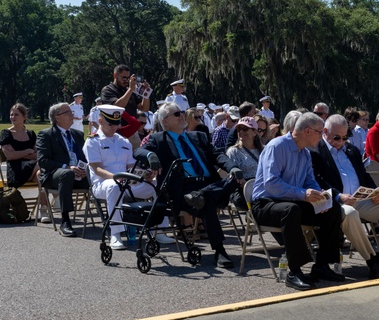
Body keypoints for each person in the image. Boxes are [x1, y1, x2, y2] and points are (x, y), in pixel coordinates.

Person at [250, 112, 346, 290]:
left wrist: (319, 198)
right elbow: (271, 184)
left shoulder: (305, 153)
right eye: (320, 131)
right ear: (308, 131)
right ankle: (294, 271)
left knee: (332, 209)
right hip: (265, 203)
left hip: (291, 201)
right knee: (291, 210)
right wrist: (303, 194)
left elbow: (309, 181)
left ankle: (322, 266)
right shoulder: (277, 146)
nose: (322, 135)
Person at [143, 102, 237, 268]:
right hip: (183, 190)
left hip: (208, 184)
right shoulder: (159, 139)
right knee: (206, 202)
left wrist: (233, 167)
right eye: (177, 114)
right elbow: (139, 152)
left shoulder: (198, 136)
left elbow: (217, 155)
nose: (182, 116)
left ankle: (205, 194)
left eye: (182, 113)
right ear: (165, 121)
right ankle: (219, 250)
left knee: (235, 179)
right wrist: (151, 155)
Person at [312, 114, 379, 277]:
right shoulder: (316, 150)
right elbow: (318, 181)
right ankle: (371, 259)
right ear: (325, 131)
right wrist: (339, 196)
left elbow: (364, 175)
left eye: (345, 137)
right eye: (337, 137)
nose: (341, 141)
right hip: (337, 202)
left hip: (360, 199)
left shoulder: (351, 150)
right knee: (350, 214)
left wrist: (375, 192)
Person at [86, 105, 173, 251]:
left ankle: (158, 229)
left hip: (127, 183)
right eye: (110, 123)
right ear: (100, 120)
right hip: (103, 184)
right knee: (113, 186)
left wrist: (144, 174)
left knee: (157, 184)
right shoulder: (93, 141)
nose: (115, 127)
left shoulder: (123, 141)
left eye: (117, 123)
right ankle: (116, 234)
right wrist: (115, 177)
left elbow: (132, 166)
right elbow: (96, 168)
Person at [36, 102, 90, 237]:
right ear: (57, 117)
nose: (72, 115)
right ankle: (65, 221)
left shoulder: (77, 135)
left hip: (77, 175)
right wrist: (67, 166)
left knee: (97, 175)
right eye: (68, 113)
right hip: (54, 175)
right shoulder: (46, 134)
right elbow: (43, 161)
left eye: (71, 112)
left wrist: (86, 169)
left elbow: (84, 157)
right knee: (67, 174)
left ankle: (112, 219)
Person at [101, 65, 151, 145]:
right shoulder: (108, 90)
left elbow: (144, 108)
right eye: (124, 78)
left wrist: (146, 94)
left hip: (133, 131)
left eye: (128, 78)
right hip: (116, 131)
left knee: (138, 155)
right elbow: (117, 107)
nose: (127, 81)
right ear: (115, 75)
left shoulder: (130, 90)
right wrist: (131, 90)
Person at [225, 116, 263, 209]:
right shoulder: (233, 151)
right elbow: (235, 178)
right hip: (244, 190)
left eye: (245, 129)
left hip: (263, 187)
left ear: (254, 132)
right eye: (238, 129)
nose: (241, 132)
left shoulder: (264, 150)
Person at [0, 103, 39, 187]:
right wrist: (28, 151)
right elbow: (10, 156)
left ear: (24, 117)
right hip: (16, 170)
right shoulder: (6, 133)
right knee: (43, 165)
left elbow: (37, 155)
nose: (13, 117)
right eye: (11, 115)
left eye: (16, 115)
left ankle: (43, 200)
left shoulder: (30, 134)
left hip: (33, 168)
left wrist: (18, 154)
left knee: (42, 177)